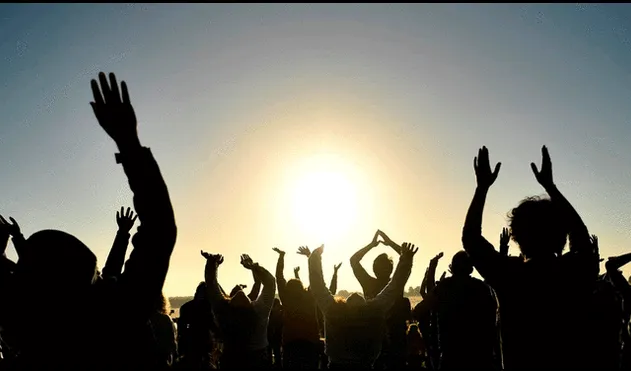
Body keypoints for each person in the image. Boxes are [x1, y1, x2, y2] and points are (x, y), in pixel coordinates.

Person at [3, 72, 178, 370]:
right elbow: (160, 228)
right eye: (97, 274)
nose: (104, 276)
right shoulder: (114, 317)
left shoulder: (32, 338)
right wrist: (128, 143)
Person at [461, 146, 597, 369]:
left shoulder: (510, 276)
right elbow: (580, 235)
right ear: (561, 235)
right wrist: (551, 188)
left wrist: (482, 188)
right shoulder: (572, 270)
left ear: (516, 236)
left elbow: (471, 239)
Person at [310, 243, 417, 369]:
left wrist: (315, 257)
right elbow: (395, 286)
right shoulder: (374, 311)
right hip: (371, 362)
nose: (355, 295)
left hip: (336, 365)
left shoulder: (334, 312)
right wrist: (406, 259)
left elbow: (317, 287)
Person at [413, 251, 501, 370]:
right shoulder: (482, 288)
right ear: (471, 268)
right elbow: (494, 324)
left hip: (451, 359)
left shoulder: (445, 287)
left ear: (452, 267)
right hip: (480, 359)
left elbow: (419, 310)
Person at [202, 252, 275, 369]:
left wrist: (212, 264)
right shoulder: (259, 312)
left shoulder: (223, 313)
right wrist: (254, 267)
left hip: (231, 360)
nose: (239, 292)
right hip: (257, 359)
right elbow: (270, 282)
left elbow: (211, 284)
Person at [273, 246, 320, 369]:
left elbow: (279, 276)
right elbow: (315, 278)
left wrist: (281, 257)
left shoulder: (286, 298)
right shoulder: (310, 297)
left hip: (290, 342)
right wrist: (310, 256)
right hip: (311, 342)